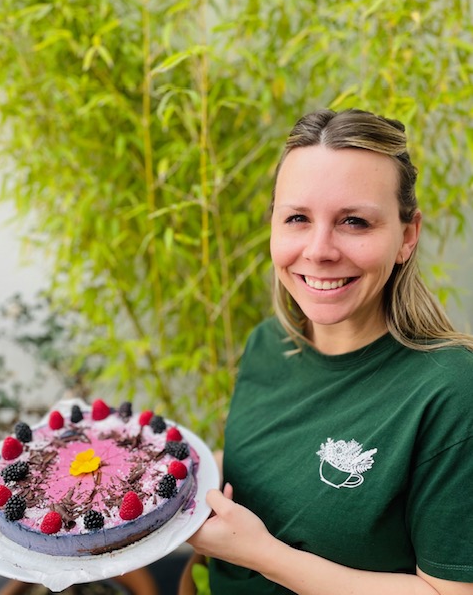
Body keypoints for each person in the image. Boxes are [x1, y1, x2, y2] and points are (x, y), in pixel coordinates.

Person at [182, 108, 473, 595]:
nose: (319, 250)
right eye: (297, 218)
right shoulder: (266, 345)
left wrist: (261, 554)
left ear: (407, 236)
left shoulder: (450, 391)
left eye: (354, 222)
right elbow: (271, 467)